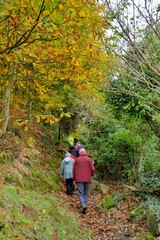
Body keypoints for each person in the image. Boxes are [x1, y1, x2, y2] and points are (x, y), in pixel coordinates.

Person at [73, 148, 95, 214]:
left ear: (79, 153)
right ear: (85, 152)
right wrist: (91, 175)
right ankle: (86, 207)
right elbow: (92, 169)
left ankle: (83, 204)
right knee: (85, 193)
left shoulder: (77, 160)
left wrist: (74, 179)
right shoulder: (89, 159)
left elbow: (74, 170)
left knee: (80, 192)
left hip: (79, 179)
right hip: (87, 179)